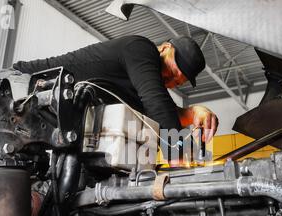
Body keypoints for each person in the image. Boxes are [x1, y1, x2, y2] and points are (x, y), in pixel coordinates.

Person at [13, 35, 219, 143]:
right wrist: (177, 157)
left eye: (177, 82)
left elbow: (163, 110)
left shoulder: (138, 87)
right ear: (165, 48)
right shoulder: (141, 49)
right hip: (18, 90)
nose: (170, 80)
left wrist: (194, 112)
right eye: (172, 70)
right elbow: (158, 105)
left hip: (43, 117)